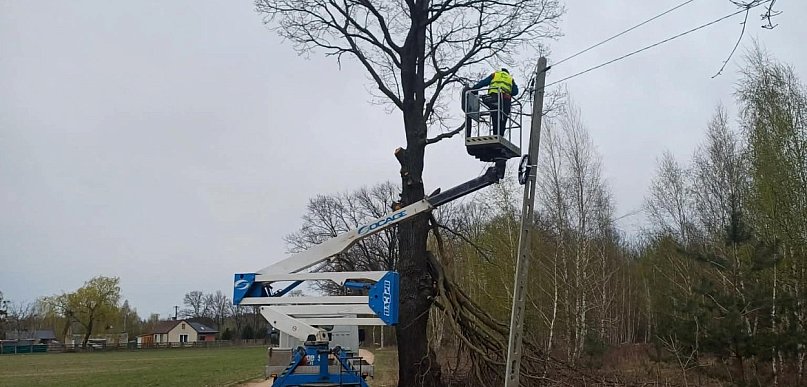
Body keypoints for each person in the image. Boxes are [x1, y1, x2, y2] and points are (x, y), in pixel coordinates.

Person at [473, 68, 519, 136]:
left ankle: (495, 134)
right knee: (503, 117)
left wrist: (474, 88)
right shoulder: (510, 78)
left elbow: (484, 82)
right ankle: (500, 135)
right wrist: (508, 92)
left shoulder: (495, 74)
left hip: (494, 98)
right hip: (505, 99)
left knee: (495, 116)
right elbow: (515, 92)